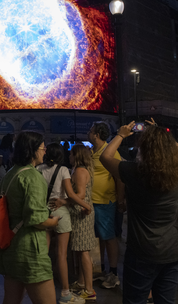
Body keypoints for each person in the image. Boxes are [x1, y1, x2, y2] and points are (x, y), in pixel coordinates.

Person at [100, 119, 178, 304]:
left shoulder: (134, 171)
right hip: (173, 249)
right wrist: (163, 136)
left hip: (142, 250)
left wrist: (121, 134)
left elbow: (105, 157)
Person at [0, 131, 59, 304]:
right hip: (30, 250)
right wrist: (52, 222)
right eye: (42, 148)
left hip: (10, 248)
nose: (45, 151)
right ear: (33, 150)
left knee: (11, 299)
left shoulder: (10, 174)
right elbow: (36, 219)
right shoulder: (32, 176)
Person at [38, 143, 82, 304]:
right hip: (61, 212)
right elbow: (70, 193)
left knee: (43, 253)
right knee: (61, 255)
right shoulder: (63, 170)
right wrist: (82, 204)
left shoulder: (39, 169)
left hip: (44, 212)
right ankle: (64, 292)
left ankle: (42, 287)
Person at [87, 122, 122, 289]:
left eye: (91, 131)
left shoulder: (111, 152)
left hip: (105, 202)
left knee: (109, 237)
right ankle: (99, 270)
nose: (88, 133)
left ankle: (113, 273)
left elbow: (120, 178)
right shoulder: (92, 152)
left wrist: (121, 200)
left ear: (97, 134)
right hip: (92, 202)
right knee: (97, 237)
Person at [60, 145, 96, 303]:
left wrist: (64, 201)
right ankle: (83, 283)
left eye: (71, 154)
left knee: (83, 252)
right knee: (82, 250)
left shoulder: (80, 171)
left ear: (77, 155)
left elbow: (80, 194)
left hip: (82, 213)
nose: (69, 156)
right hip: (81, 213)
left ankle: (89, 290)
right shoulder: (81, 169)